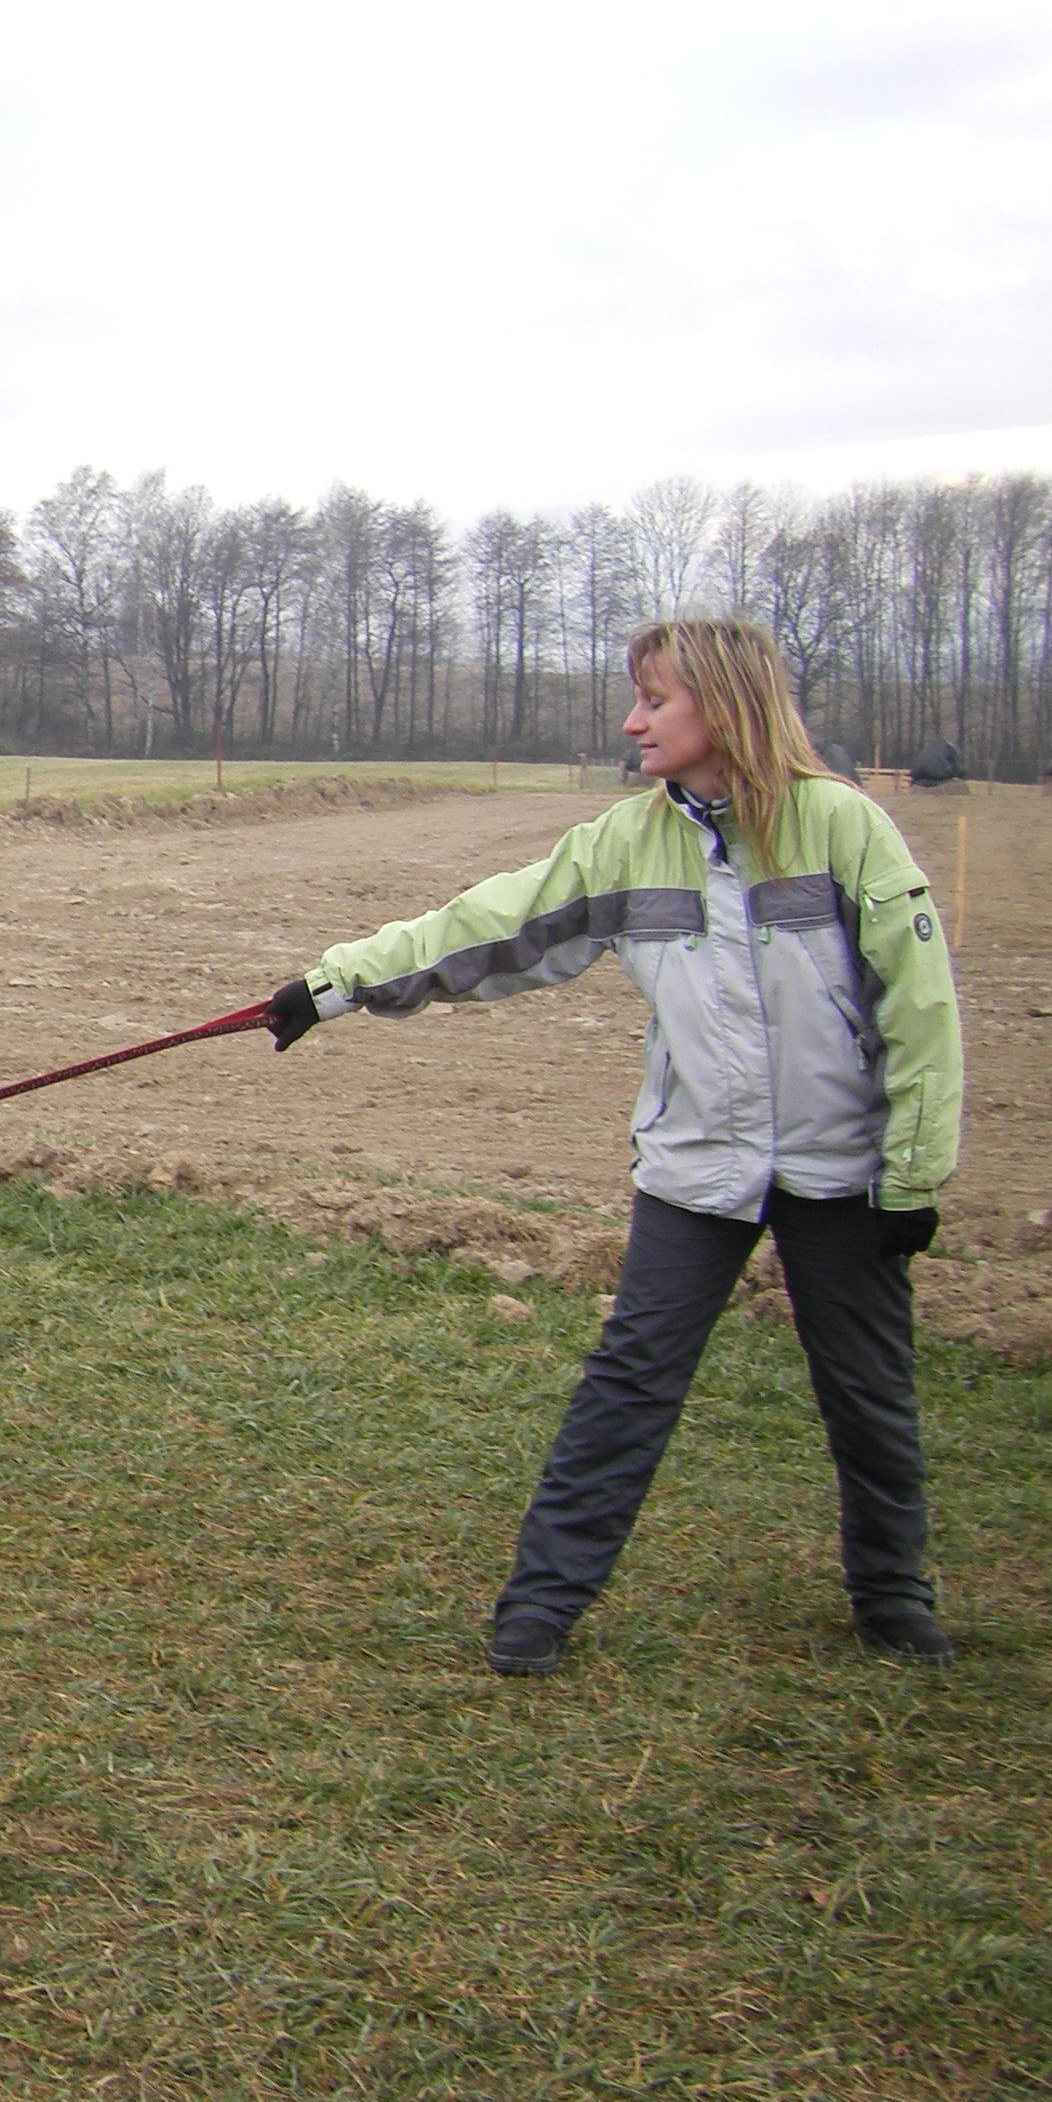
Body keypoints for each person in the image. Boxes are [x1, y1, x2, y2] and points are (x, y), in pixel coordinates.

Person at [268, 618, 963, 1676]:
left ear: (724, 707)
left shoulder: (845, 830)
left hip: (844, 1172)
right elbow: (490, 924)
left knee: (866, 1392)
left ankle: (894, 1601)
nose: (632, 720)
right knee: (629, 1381)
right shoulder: (628, 843)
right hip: (695, 1169)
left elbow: (921, 1011)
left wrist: (911, 1174)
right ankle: (539, 1609)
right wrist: (329, 987)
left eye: (657, 700)